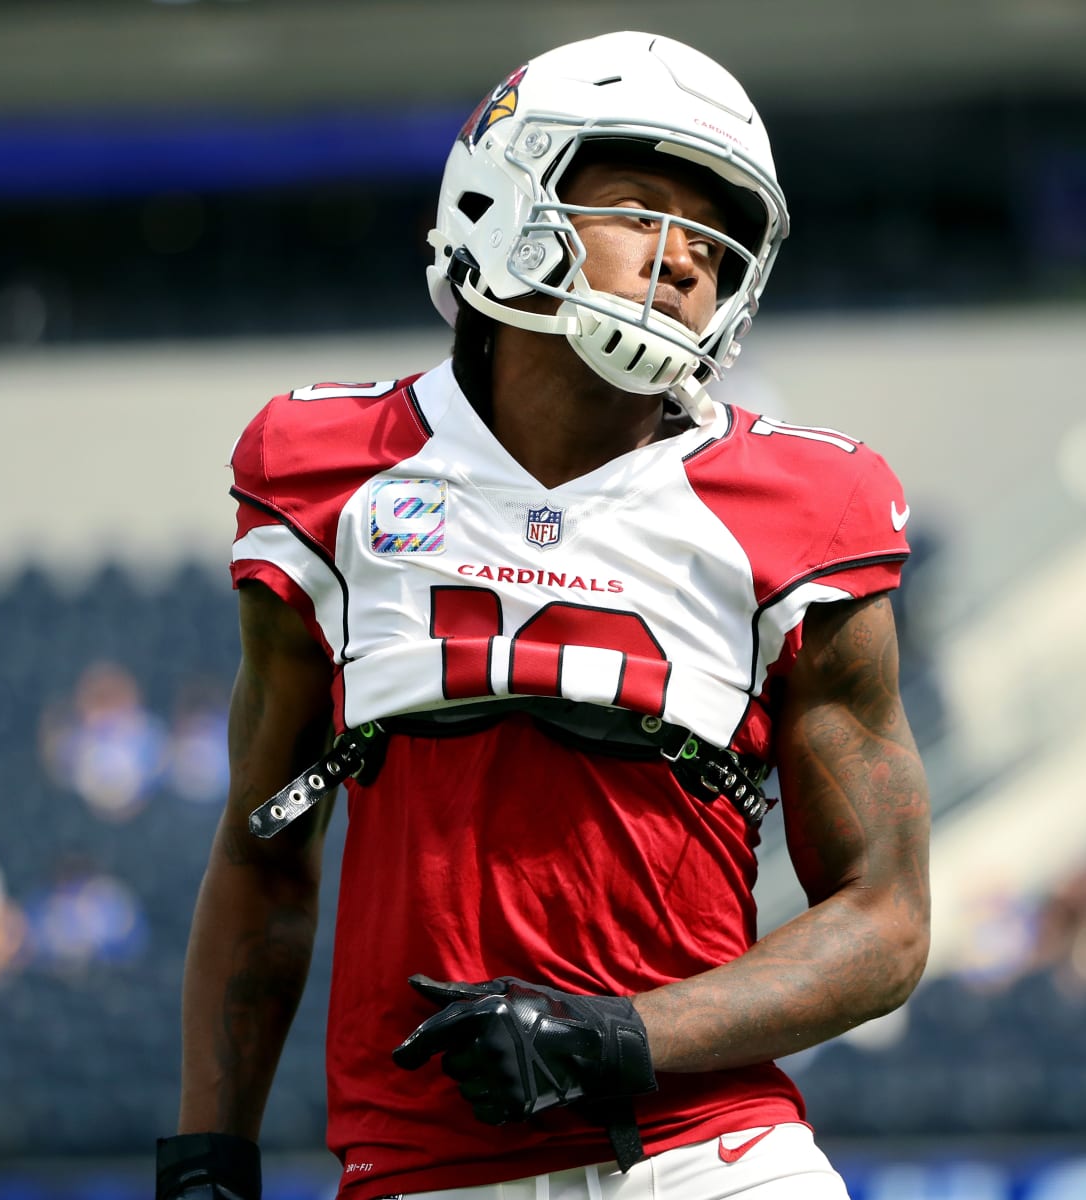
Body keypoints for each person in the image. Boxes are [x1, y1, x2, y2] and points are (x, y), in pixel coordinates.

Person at [158, 30, 930, 1200]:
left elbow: (887, 919)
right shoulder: (326, 474)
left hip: (706, 1157)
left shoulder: (802, 507)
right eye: (638, 207)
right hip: (418, 1169)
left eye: (716, 236)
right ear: (501, 196)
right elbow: (265, 856)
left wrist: (621, 1035)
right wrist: (209, 1154)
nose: (685, 260)